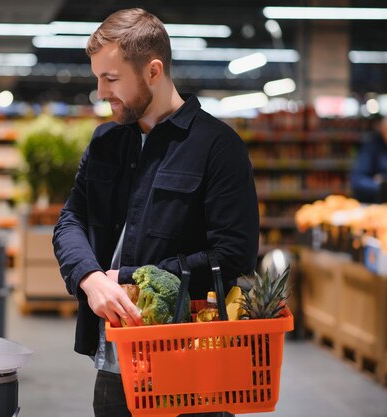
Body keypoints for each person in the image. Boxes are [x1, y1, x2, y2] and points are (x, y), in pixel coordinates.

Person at [52, 8, 259, 417]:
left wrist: (127, 279)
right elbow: (70, 219)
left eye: (110, 79)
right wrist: (89, 278)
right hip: (114, 361)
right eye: (98, 78)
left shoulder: (219, 148)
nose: (100, 92)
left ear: (152, 71)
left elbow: (233, 255)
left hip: (189, 365)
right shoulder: (106, 141)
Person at [350, 113, 387, 203]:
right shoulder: (371, 147)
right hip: (376, 203)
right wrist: (381, 186)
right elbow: (357, 181)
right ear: (383, 130)